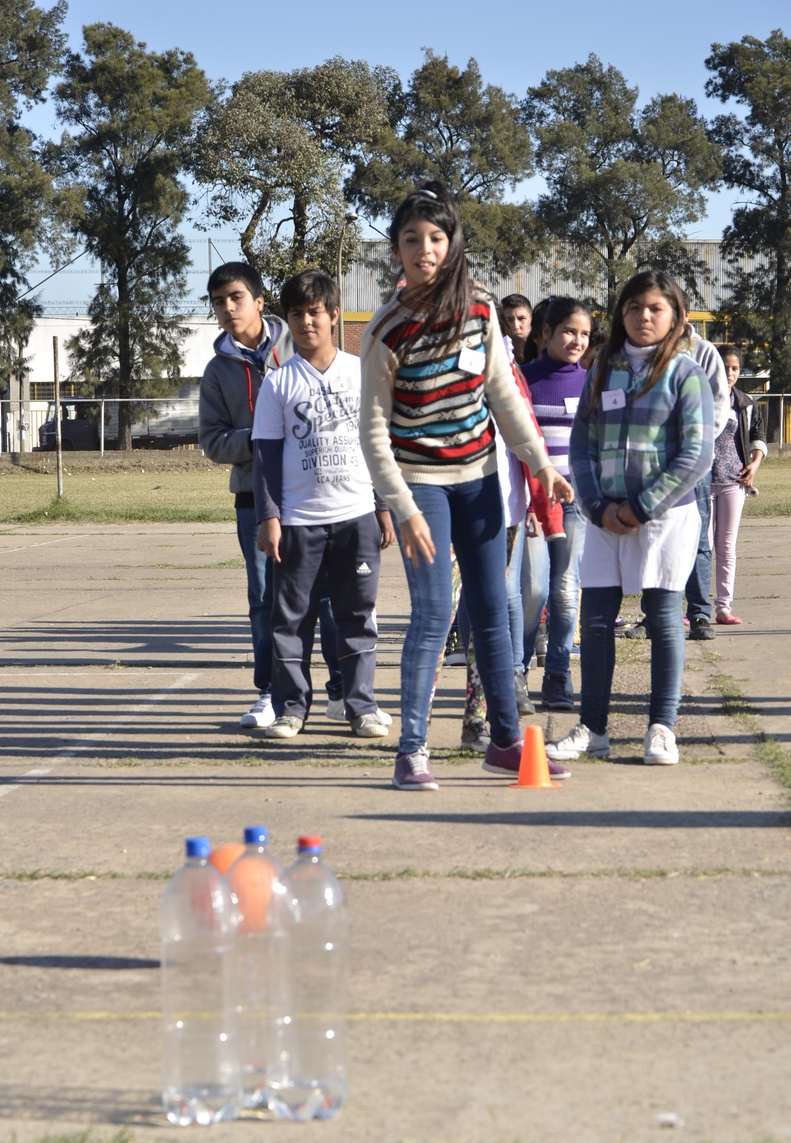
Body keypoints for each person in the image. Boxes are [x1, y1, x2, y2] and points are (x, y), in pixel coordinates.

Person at [358, 180, 573, 791]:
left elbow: (503, 395)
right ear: (396, 250)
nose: (424, 249)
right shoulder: (386, 330)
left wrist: (540, 464)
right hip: (420, 484)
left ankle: (504, 742)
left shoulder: (480, 309)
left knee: (493, 612)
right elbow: (372, 432)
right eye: (411, 239)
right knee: (432, 613)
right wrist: (403, 508)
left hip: (479, 480)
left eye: (435, 237)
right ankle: (411, 750)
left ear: (452, 244)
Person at [547, 270, 714, 768]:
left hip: (664, 519)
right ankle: (593, 728)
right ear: (621, 313)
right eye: (634, 307)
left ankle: (662, 728)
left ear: (675, 316)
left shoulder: (686, 373)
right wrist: (597, 505)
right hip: (604, 518)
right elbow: (582, 444)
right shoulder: (603, 369)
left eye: (656, 308)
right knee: (596, 620)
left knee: (663, 618)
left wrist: (642, 507)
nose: (644, 316)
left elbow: (697, 454)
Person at [199, 263, 345, 729]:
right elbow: (212, 441)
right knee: (265, 600)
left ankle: (341, 689)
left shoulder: (301, 342)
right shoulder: (217, 371)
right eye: (219, 302)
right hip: (254, 498)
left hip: (316, 493)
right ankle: (272, 692)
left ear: (260, 302)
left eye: (236, 297)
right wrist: (261, 437)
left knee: (328, 597)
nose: (228, 308)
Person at [252, 269, 395, 740]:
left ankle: (361, 706)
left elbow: (378, 445)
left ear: (334, 315)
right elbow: (265, 458)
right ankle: (291, 709)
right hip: (298, 522)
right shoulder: (278, 383)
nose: (306, 322)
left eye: (314, 312)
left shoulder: (361, 372)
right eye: (296, 314)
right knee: (290, 621)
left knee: (357, 616)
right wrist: (270, 517)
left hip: (356, 517)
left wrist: (383, 505)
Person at [520, 297, 592, 709]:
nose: (577, 341)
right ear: (545, 332)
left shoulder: (593, 383)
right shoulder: (523, 379)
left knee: (565, 591)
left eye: (584, 334)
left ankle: (558, 676)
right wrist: (529, 502)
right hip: (532, 504)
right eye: (569, 332)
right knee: (533, 590)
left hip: (575, 503)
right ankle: (518, 671)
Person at [680, 296, 731, 642]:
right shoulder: (647, 351)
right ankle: (654, 614)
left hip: (694, 463)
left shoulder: (704, 351)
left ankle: (698, 613)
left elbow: (719, 406)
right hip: (654, 464)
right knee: (654, 538)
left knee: (698, 538)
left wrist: (695, 447)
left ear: (684, 314)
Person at [710, 344, 767, 624]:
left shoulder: (745, 403)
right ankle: (694, 608)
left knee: (726, 546)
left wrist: (754, 465)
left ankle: (723, 608)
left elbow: (758, 436)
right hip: (703, 482)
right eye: (724, 367)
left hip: (735, 481)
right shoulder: (700, 397)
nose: (730, 373)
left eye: (734, 368)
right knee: (701, 546)